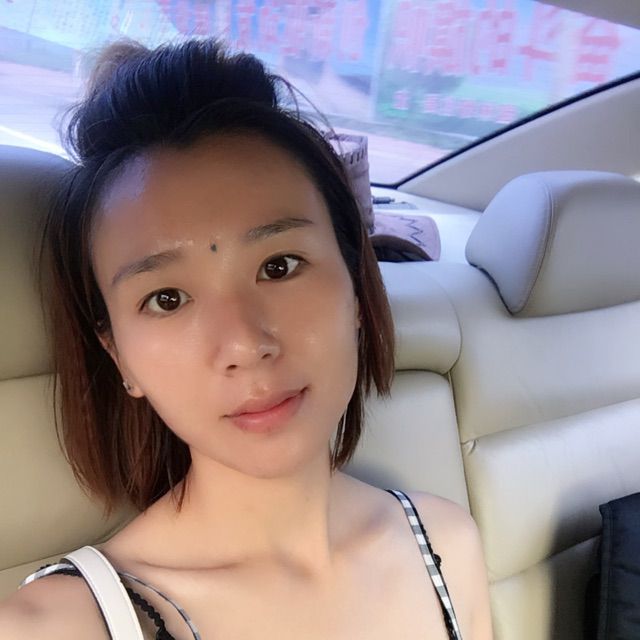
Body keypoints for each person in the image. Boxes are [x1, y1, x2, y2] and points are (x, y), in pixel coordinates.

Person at [0, 39, 492, 639]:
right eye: (167, 299)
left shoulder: (446, 546)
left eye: (279, 266)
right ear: (119, 357)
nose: (243, 345)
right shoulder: (58, 626)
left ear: (357, 292)